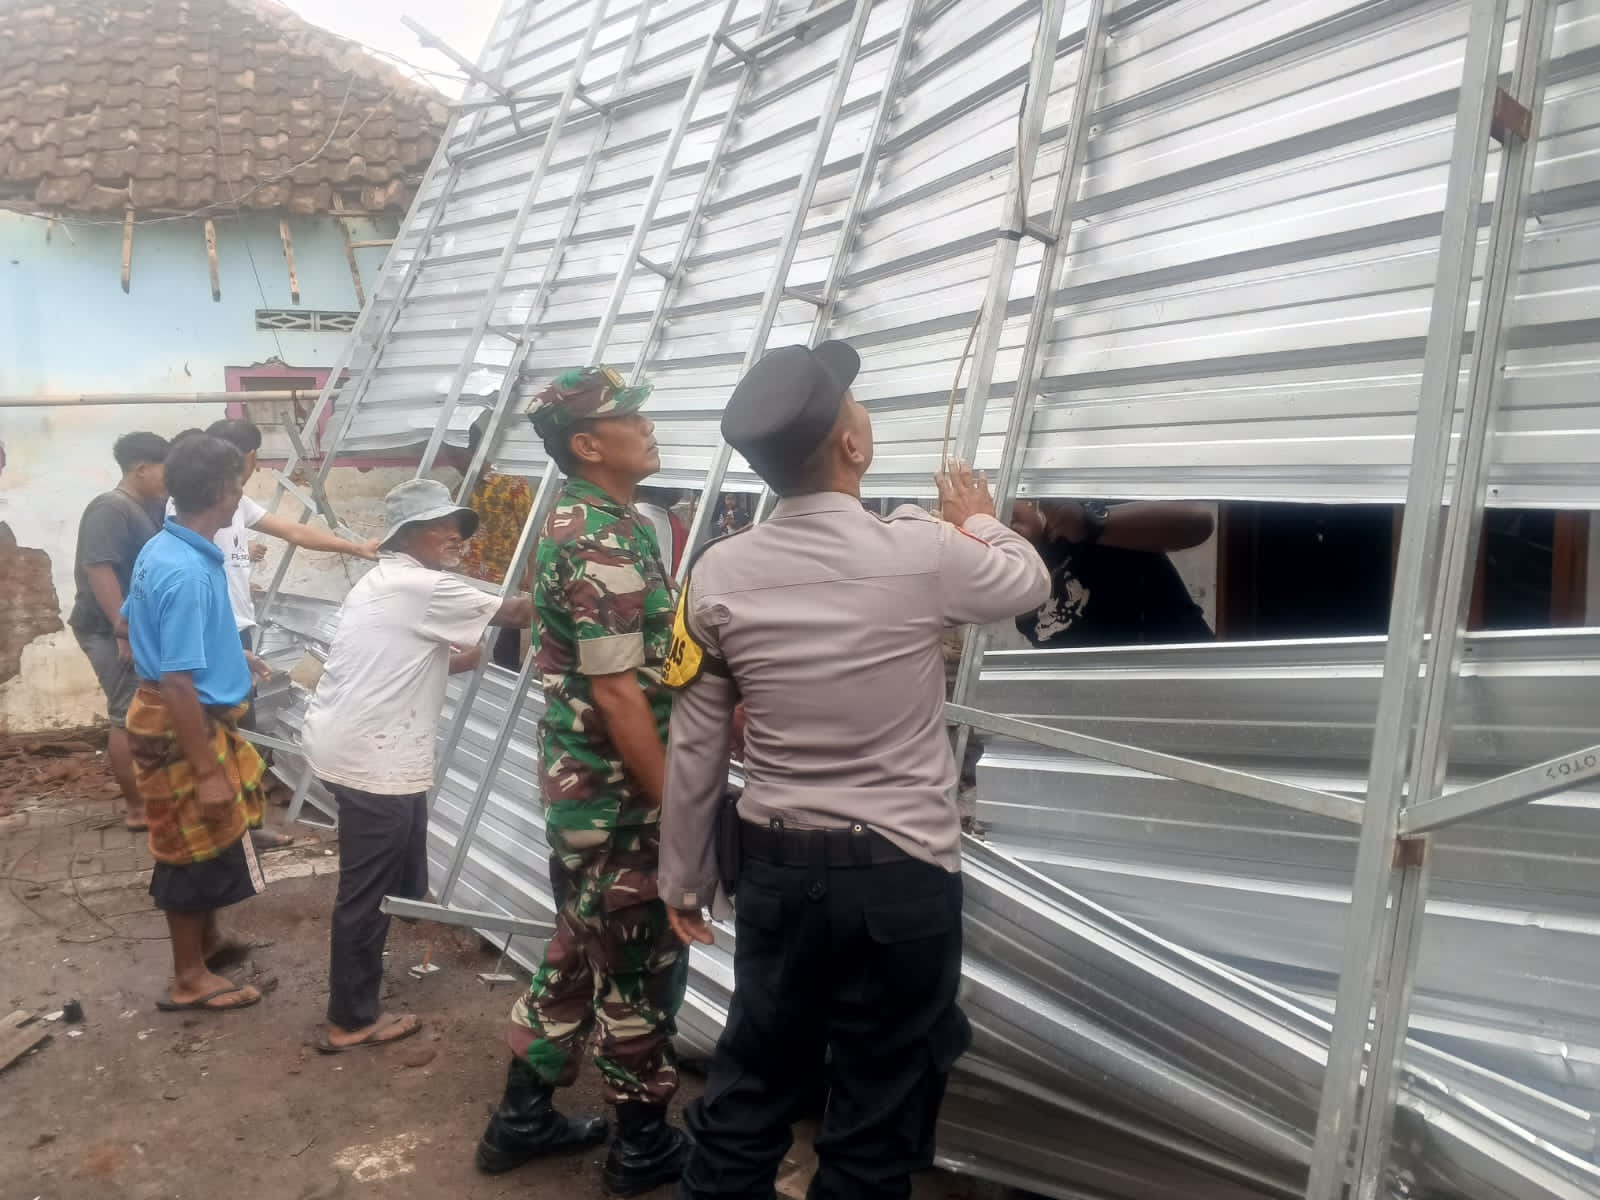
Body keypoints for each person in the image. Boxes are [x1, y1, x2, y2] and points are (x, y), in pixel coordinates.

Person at [658, 341, 1050, 1199]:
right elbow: (1025, 581)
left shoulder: (717, 574)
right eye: (855, 407)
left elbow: (696, 743)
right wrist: (978, 518)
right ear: (853, 448)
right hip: (898, 879)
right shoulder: (920, 550)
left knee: (753, 1077)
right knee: (878, 1108)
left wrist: (681, 878)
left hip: (773, 868)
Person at [474, 366, 690, 1198]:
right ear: (589, 445)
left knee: (573, 950)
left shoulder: (605, 520)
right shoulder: (600, 537)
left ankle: (522, 1116)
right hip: (618, 795)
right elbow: (615, 689)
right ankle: (642, 1149)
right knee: (636, 968)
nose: (647, 426)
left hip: (588, 791)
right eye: (628, 418)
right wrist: (677, 807)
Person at [300, 478, 531, 1053]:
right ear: (408, 535)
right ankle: (349, 1020)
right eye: (441, 526)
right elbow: (519, 610)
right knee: (364, 892)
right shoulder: (418, 584)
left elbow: (407, 663)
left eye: (458, 526)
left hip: (360, 742)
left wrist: (465, 658)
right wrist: (587, 585)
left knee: (401, 850)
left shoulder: (384, 582)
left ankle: (407, 905)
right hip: (370, 754)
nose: (455, 536)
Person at [122, 435, 267, 1013]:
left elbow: (138, 630)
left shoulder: (168, 548)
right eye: (237, 483)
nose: (241, 493)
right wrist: (205, 769)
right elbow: (178, 681)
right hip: (182, 720)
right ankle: (188, 978)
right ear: (222, 491)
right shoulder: (184, 571)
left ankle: (207, 945)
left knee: (212, 837)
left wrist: (232, 654)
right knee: (186, 844)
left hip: (181, 709)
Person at [183, 419, 379, 836]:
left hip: (235, 632)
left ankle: (243, 826)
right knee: (218, 729)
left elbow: (291, 530)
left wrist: (353, 546)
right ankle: (222, 828)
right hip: (213, 636)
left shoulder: (229, 503)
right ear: (247, 457)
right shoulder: (190, 513)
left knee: (240, 727)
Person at [69, 432, 172, 832]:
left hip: (136, 630)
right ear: (141, 469)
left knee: (144, 711)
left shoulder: (149, 506)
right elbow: (100, 568)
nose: (170, 478)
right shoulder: (110, 509)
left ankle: (155, 797)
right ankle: (137, 809)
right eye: (165, 468)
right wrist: (122, 629)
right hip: (109, 630)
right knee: (127, 716)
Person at [1009, 499, 1215, 647]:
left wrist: (1092, 524)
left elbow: (1200, 521)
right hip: (1124, 702)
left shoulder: (1079, 511)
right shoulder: (1013, 584)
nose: (999, 516)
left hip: (1196, 678)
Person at [444, 416, 535, 669]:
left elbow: (531, 531)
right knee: (470, 652)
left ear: (471, 449)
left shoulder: (513, 484)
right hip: (469, 585)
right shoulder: (459, 491)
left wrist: (533, 574)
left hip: (503, 587)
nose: (451, 462)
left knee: (503, 657)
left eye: (454, 454)